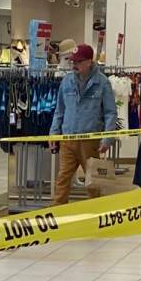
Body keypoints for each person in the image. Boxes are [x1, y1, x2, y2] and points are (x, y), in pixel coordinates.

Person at [49, 43, 117, 207]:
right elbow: (59, 110)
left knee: (93, 182)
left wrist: (107, 138)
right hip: (68, 140)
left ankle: (95, 216)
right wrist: (53, 132)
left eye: (78, 62)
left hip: (90, 141)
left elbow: (110, 112)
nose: (74, 65)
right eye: (73, 61)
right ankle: (57, 215)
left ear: (89, 61)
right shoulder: (66, 81)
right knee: (62, 180)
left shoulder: (102, 83)